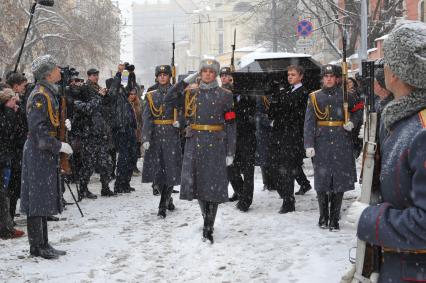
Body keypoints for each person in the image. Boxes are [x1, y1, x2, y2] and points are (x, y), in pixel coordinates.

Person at [346, 21, 426, 282]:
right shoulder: (404, 121)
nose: (384, 67)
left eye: (387, 60)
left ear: (399, 74)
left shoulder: (421, 131)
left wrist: (370, 220)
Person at [165, 59, 236, 243]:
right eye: (204, 71)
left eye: (212, 72)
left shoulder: (225, 95)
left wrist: (231, 151)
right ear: (199, 73)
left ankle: (209, 226)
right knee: (198, 185)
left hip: (216, 143)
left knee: (212, 186)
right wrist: (185, 82)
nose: (207, 74)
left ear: (216, 75)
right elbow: (168, 98)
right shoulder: (191, 92)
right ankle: (206, 218)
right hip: (195, 143)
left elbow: (230, 124)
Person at [20, 55, 73, 258]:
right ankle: (37, 247)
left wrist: (62, 126)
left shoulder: (48, 93)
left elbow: (48, 125)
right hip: (38, 151)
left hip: (44, 152)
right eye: (56, 68)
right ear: (49, 74)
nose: (60, 70)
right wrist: (59, 145)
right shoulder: (40, 95)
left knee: (41, 198)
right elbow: (39, 131)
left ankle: (44, 243)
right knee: (36, 200)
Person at [304, 64, 362, 231]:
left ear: (337, 78)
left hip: (341, 140)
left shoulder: (347, 96)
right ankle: (323, 215)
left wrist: (353, 122)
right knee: (322, 181)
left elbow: (358, 110)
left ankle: (334, 217)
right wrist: (308, 144)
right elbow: (309, 123)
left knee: (339, 180)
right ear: (322, 78)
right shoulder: (314, 97)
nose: (328, 79)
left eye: (332, 76)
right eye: (326, 76)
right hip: (321, 142)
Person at [268, 65, 311, 213]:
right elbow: (273, 113)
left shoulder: (304, 93)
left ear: (301, 76)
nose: (289, 77)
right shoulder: (285, 91)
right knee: (277, 167)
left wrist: (282, 103)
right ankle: (286, 195)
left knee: (287, 169)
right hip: (280, 134)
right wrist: (274, 100)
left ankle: (288, 201)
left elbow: (298, 115)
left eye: (293, 74)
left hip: (293, 135)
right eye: (288, 75)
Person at [141, 65, 182, 218]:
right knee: (157, 174)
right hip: (156, 137)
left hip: (171, 135)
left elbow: (184, 110)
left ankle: (162, 207)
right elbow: (147, 118)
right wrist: (145, 137)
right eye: (160, 75)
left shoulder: (177, 92)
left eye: (165, 74)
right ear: (156, 77)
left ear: (170, 77)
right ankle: (168, 198)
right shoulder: (151, 95)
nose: (163, 77)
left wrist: (181, 122)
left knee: (170, 171)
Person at [73, 68, 115, 198]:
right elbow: (89, 108)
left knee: (106, 162)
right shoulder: (85, 89)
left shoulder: (98, 88)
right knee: (88, 163)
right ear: (88, 76)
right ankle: (83, 189)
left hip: (100, 130)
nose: (96, 77)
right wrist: (99, 96)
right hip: (89, 132)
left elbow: (105, 106)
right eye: (93, 75)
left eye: (97, 75)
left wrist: (106, 95)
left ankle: (105, 187)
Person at [221, 67, 257, 211]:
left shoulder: (247, 93)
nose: (225, 78)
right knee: (231, 168)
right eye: (223, 76)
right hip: (229, 137)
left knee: (248, 170)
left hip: (246, 136)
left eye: (228, 76)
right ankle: (241, 192)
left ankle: (246, 201)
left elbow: (253, 111)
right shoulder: (221, 94)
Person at [106, 67, 138, 194]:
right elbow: (115, 87)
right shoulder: (113, 96)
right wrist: (119, 73)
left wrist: (129, 73)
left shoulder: (123, 94)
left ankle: (126, 183)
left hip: (129, 128)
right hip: (120, 129)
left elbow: (129, 85)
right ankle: (119, 184)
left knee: (132, 156)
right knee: (124, 158)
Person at [0, 88, 25, 239]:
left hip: (6, 157)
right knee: (3, 195)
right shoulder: (6, 116)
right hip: (4, 157)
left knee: (5, 193)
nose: (16, 104)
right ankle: (6, 228)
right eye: (13, 101)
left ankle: (7, 225)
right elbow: (11, 134)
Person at [5, 73, 28, 221]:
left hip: (17, 149)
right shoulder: (8, 104)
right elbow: (11, 127)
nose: (25, 88)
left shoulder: (19, 101)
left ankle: (11, 216)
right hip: (11, 150)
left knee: (14, 186)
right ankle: (8, 218)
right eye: (23, 85)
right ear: (15, 86)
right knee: (11, 187)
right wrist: (15, 110)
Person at [128, 88, 143, 176]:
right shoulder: (126, 104)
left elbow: (141, 118)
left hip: (137, 130)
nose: (132, 95)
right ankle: (131, 167)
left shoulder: (138, 104)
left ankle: (134, 166)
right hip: (130, 130)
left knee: (136, 150)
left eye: (134, 94)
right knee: (131, 150)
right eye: (131, 94)